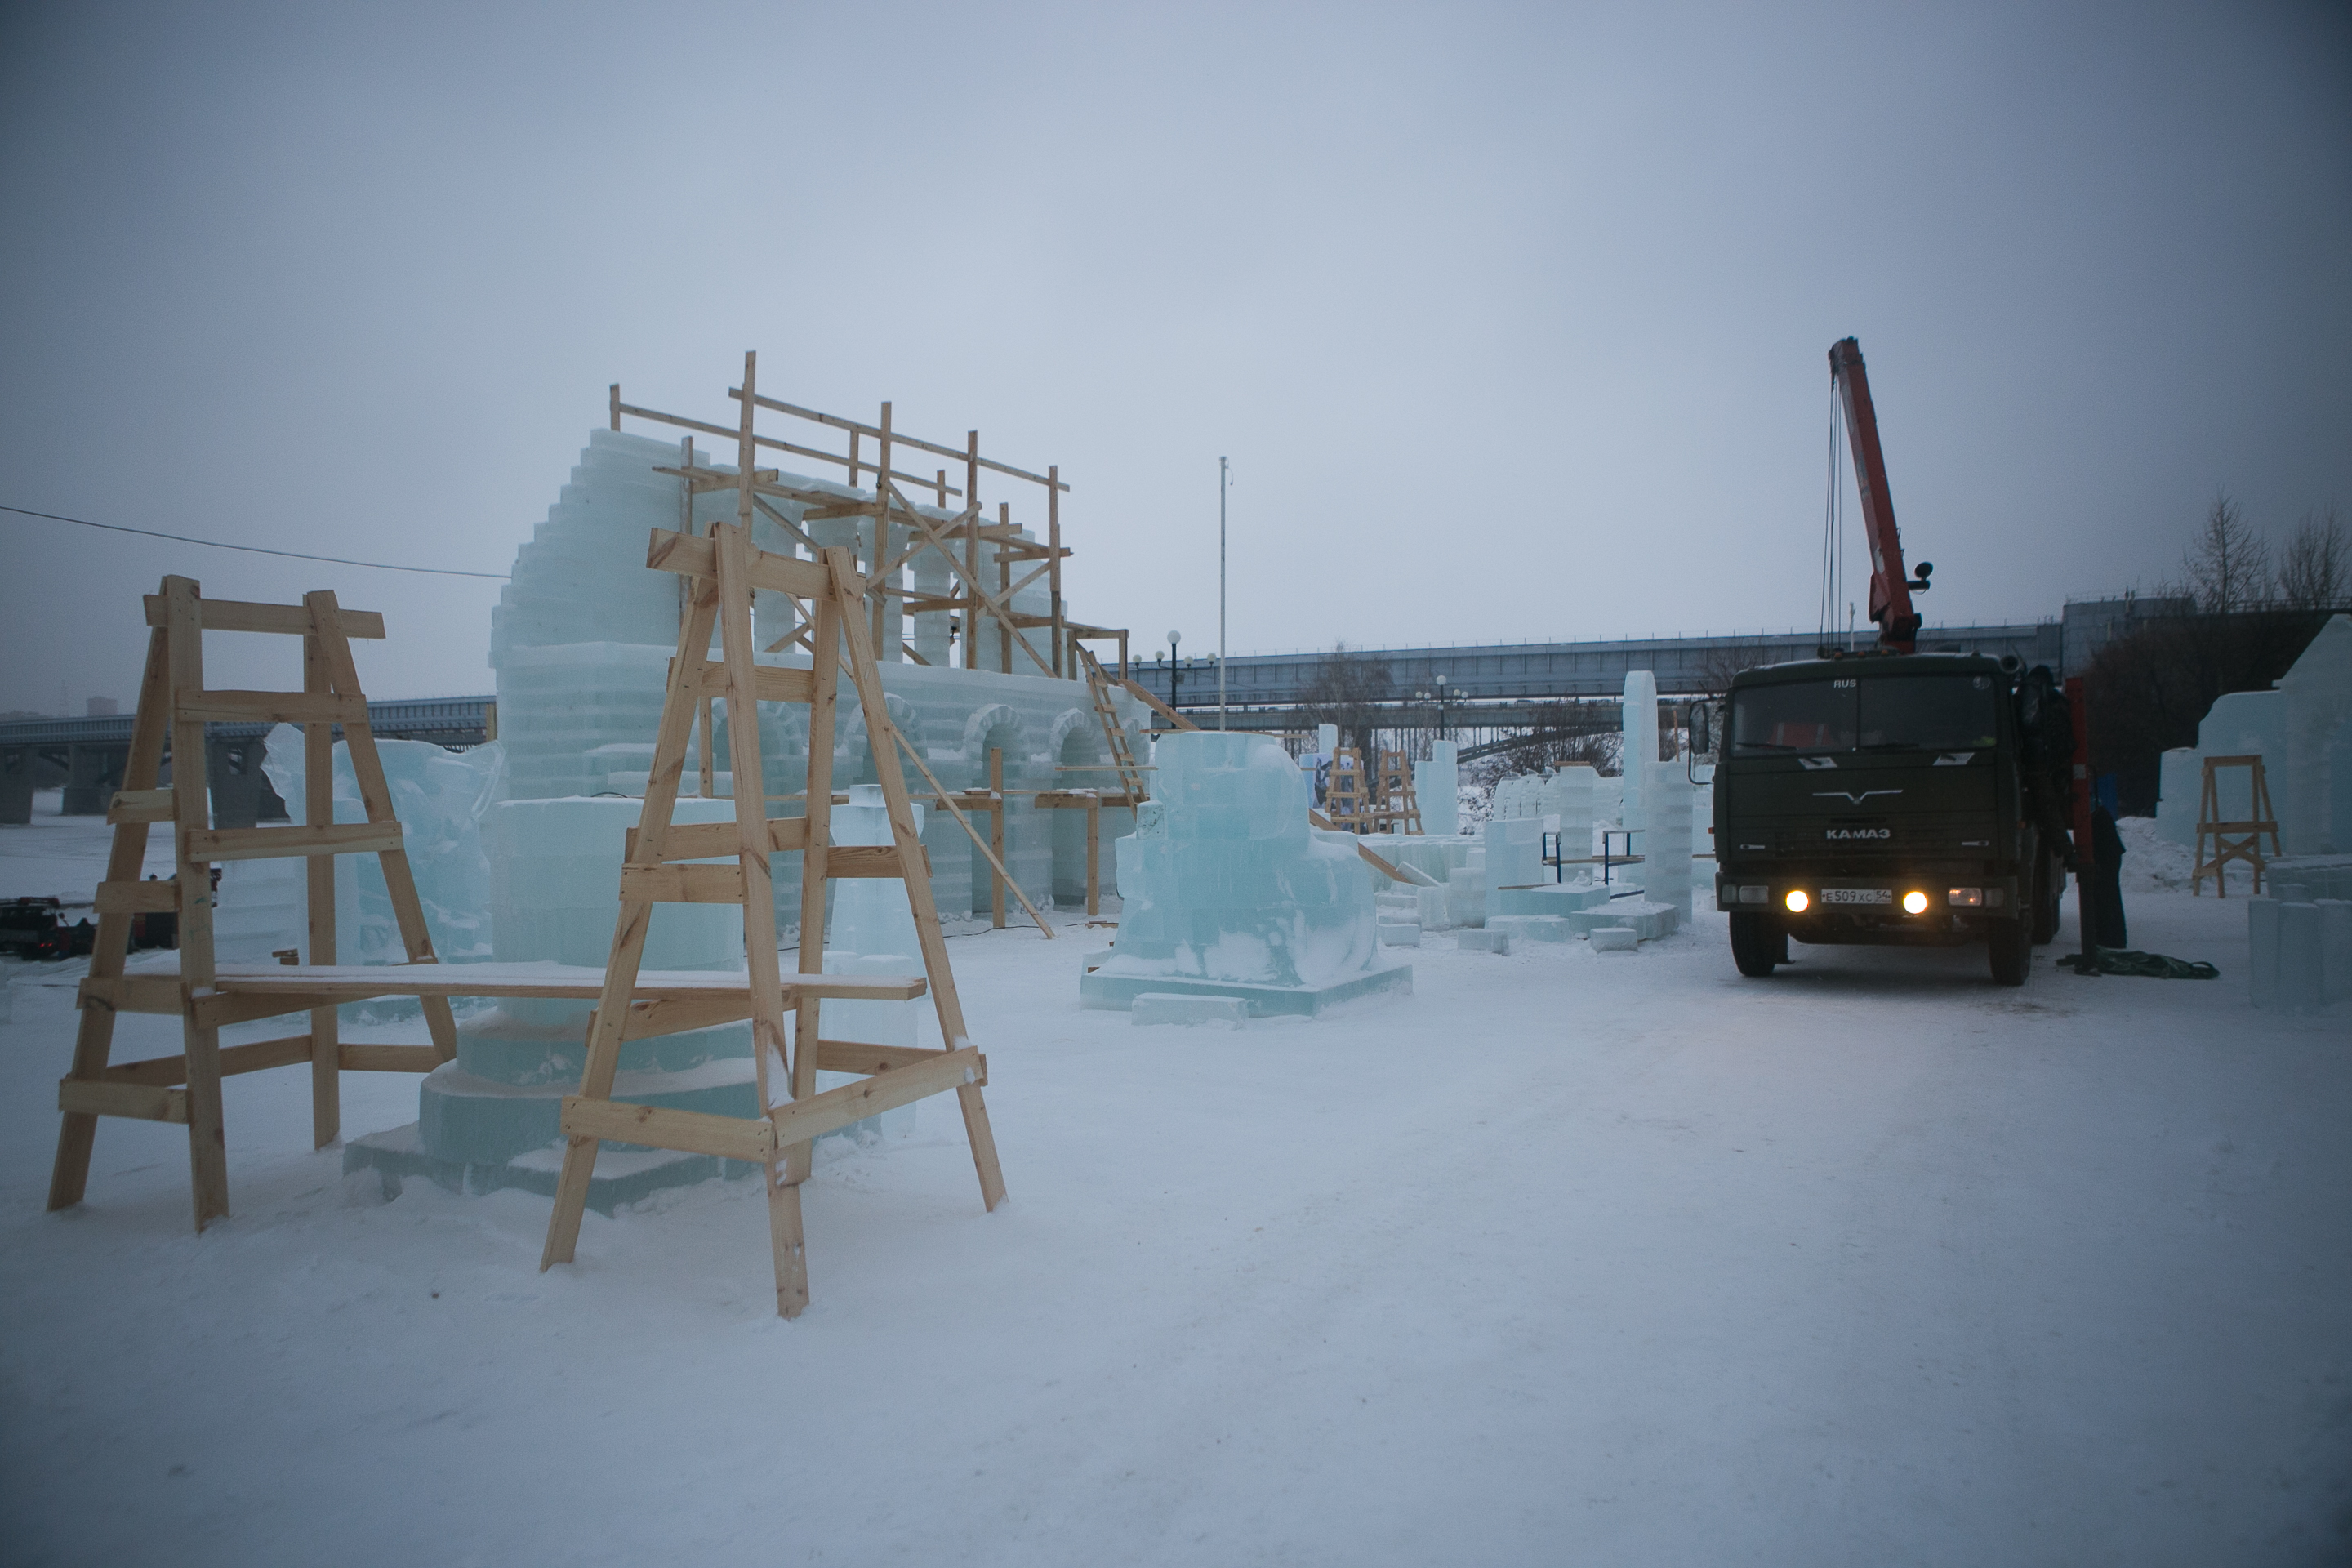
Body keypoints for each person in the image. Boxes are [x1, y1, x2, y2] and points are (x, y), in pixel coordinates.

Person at [2089, 803, 2127, 949]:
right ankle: (2111, 937)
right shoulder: (2097, 810)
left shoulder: (2094, 814)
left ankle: (2110, 938)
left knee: (2106, 895)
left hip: (2106, 855)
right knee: (2109, 895)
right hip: (2109, 854)